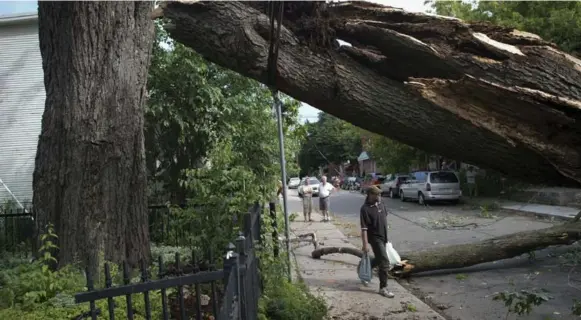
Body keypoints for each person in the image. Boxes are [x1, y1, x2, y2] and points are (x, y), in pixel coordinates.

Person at [360, 185, 395, 298]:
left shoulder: (381, 204)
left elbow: (384, 217)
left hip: (383, 237)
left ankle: (366, 266)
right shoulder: (365, 209)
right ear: (370, 195)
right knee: (385, 262)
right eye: (377, 194)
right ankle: (383, 288)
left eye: (380, 194)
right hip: (374, 238)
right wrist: (365, 244)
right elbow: (364, 229)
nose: (379, 196)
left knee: (379, 258)